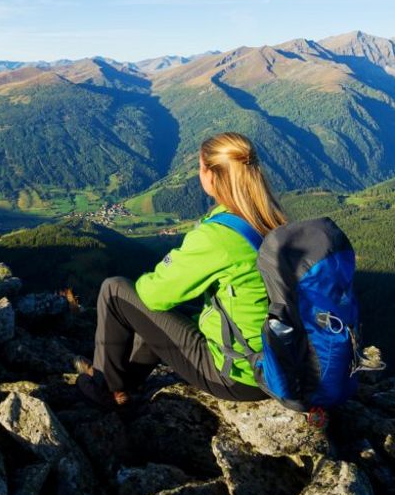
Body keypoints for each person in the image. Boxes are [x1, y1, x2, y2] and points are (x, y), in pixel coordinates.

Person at [77, 132, 287, 408]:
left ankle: (104, 388)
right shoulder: (270, 218)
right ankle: (125, 383)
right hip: (276, 364)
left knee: (115, 290)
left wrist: (167, 269)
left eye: (199, 167)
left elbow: (153, 295)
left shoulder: (219, 236)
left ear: (211, 176)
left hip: (238, 376)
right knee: (172, 315)